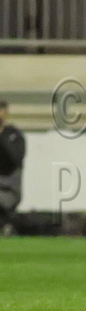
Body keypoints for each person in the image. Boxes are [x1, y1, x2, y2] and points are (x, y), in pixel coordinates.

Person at [0, 99, 26, 236]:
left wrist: (1, 134)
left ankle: (6, 226)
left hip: (7, 188)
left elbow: (15, 159)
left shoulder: (14, 135)